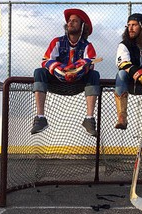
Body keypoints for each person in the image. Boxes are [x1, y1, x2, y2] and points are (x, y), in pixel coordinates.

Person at [31, 8, 100, 137]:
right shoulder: (57, 41)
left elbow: (89, 62)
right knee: (39, 72)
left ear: (82, 26)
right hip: (56, 80)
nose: (70, 23)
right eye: (69, 21)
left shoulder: (87, 45)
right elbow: (46, 60)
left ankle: (89, 119)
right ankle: (40, 118)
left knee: (94, 75)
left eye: (74, 21)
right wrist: (63, 70)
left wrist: (74, 70)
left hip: (78, 82)